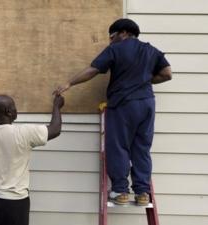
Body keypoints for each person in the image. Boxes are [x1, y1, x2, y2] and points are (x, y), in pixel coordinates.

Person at [54, 18, 172, 206]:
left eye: (112, 36)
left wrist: (69, 83)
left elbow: (93, 69)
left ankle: (120, 191)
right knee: (142, 148)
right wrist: (144, 81)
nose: (110, 41)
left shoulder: (116, 49)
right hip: (147, 104)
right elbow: (167, 74)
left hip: (123, 103)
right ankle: (143, 193)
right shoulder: (151, 50)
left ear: (123, 33)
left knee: (118, 146)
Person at [0, 94, 64, 225]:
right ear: (8, 112)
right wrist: (56, 106)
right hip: (15, 203)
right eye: (14, 107)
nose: (16, 110)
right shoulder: (24, 132)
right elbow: (55, 129)